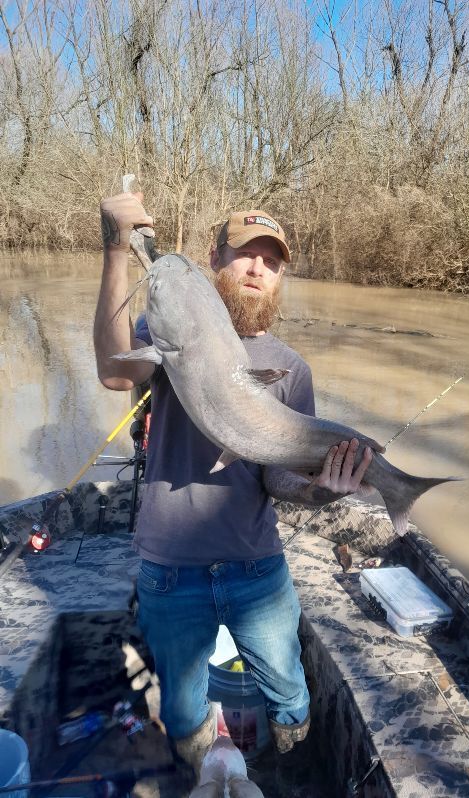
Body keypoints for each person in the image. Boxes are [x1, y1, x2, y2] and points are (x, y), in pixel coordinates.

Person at [93, 191, 373, 778]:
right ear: (217, 258)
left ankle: (283, 758)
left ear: (280, 280)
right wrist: (116, 250)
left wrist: (326, 490)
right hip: (170, 569)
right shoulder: (172, 327)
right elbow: (114, 371)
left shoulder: (292, 370)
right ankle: (204, 772)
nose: (258, 271)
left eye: (272, 264)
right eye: (247, 255)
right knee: (184, 704)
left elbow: (280, 479)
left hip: (257, 570)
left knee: (289, 690)